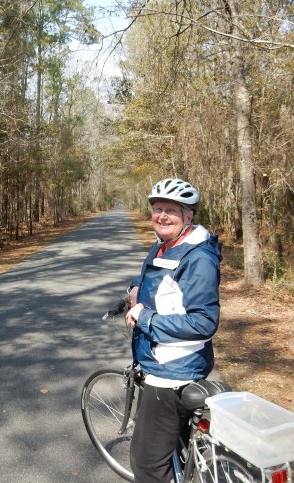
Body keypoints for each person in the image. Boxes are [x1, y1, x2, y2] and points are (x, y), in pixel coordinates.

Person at [125, 178, 222, 483]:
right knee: (173, 448)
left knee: (147, 465)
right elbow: (161, 286)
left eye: (172, 210)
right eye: (158, 209)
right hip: (169, 360)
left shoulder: (198, 258)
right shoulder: (166, 244)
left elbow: (203, 323)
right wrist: (135, 293)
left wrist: (146, 318)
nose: (163, 215)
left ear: (188, 216)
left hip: (171, 371)